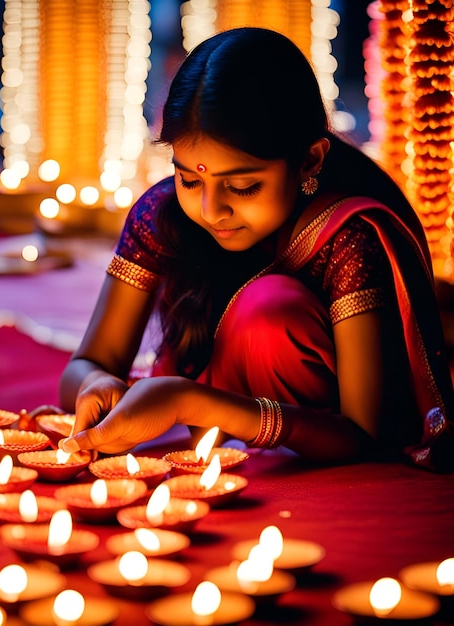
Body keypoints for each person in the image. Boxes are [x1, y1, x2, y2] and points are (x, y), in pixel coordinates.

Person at [48, 27, 454, 471]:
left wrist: (194, 404)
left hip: (314, 460)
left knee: (268, 309)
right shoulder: (162, 215)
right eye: (189, 179)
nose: (211, 209)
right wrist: (97, 383)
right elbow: (83, 366)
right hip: (209, 451)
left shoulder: (348, 237)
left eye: (242, 186)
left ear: (309, 161)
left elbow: (364, 435)